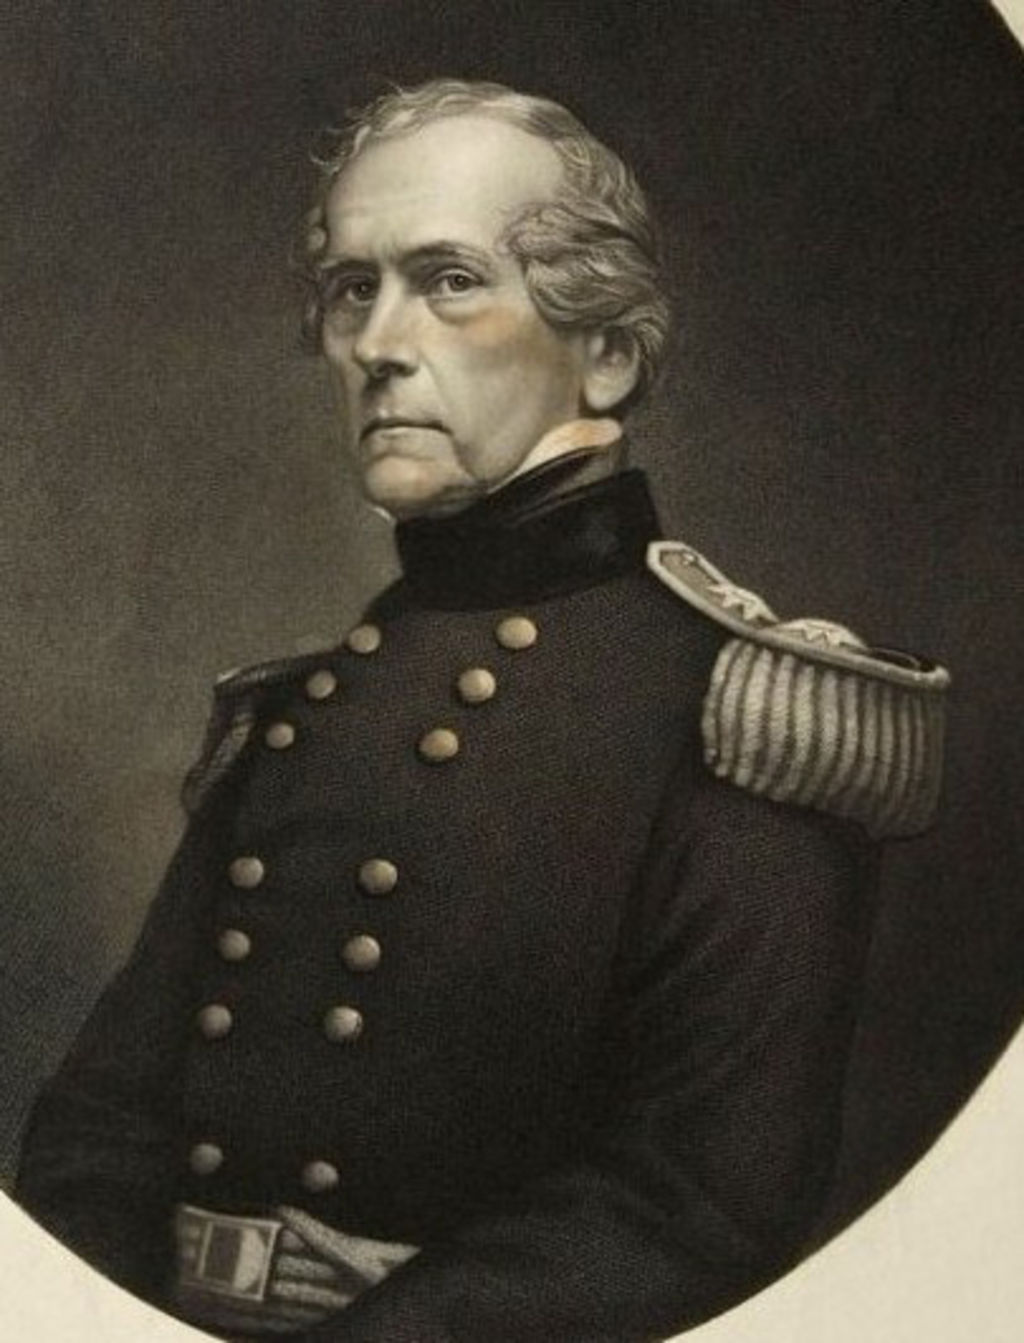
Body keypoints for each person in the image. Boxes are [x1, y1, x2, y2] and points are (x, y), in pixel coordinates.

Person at [15, 79, 949, 1342]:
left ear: (606, 352)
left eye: (448, 280)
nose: (379, 342)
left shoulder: (734, 712)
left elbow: (701, 1203)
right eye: (353, 289)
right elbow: (102, 1125)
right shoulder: (303, 709)